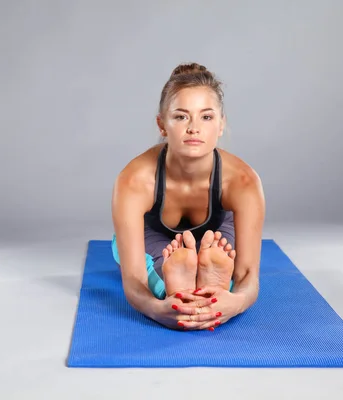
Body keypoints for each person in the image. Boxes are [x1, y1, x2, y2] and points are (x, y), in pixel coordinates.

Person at [111, 62, 265, 331]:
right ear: (162, 124)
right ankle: (174, 284)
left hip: (215, 235)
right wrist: (157, 309)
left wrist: (235, 303)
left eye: (206, 117)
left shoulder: (243, 181)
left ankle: (207, 284)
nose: (194, 128)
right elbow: (133, 278)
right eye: (181, 117)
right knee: (131, 258)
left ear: (220, 124)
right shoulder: (134, 180)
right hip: (154, 235)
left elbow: (248, 274)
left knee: (227, 275)